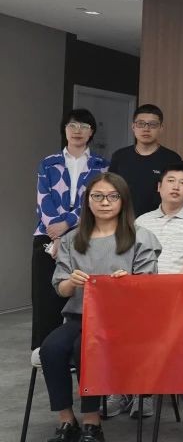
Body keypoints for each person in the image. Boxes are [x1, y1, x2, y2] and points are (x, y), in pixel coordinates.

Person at [36, 172, 159, 442]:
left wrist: (128, 283)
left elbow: (150, 287)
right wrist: (72, 282)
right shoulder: (72, 239)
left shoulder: (140, 237)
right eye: (98, 197)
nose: (105, 202)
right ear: (88, 201)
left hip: (121, 322)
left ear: (123, 201)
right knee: (51, 349)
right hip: (79, 317)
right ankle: (67, 422)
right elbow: (60, 288)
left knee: (85, 348)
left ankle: (92, 424)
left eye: (112, 196)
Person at [32, 108, 109, 350]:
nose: (78, 131)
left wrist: (66, 225)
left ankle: (80, 352)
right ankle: (43, 351)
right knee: (45, 298)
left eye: (84, 126)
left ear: (91, 132)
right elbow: (43, 199)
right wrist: (56, 232)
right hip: (47, 235)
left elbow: (95, 201)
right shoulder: (48, 163)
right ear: (64, 130)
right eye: (72, 125)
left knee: (81, 296)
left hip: (84, 235)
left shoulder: (102, 166)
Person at [135, 164, 183, 276]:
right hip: (143, 284)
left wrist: (173, 285)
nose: (176, 187)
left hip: (180, 285)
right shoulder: (141, 221)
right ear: (159, 186)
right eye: (170, 181)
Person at [109, 104, 183, 216]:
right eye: (141, 124)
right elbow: (110, 190)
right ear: (133, 127)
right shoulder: (120, 156)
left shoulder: (172, 159)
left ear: (161, 128)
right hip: (123, 220)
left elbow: (177, 194)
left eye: (152, 124)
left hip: (160, 220)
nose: (146, 129)